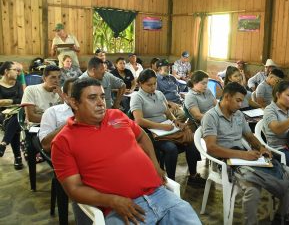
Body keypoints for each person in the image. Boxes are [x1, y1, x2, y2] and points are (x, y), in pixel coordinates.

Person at [51, 77, 201, 225]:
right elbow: (74, 189)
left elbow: (142, 136)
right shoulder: (63, 141)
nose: (100, 103)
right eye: (92, 98)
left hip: (160, 195)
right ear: (74, 103)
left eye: (102, 97)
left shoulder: (117, 115)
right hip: (123, 209)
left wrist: (155, 165)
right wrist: (112, 201)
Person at [202, 82, 289, 225]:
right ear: (227, 97)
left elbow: (249, 136)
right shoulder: (211, 117)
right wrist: (242, 155)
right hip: (226, 162)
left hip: (245, 157)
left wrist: (261, 148)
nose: (241, 105)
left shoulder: (238, 115)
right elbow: (211, 148)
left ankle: (281, 217)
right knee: (253, 191)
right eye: (238, 100)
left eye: (242, 101)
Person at [130, 69, 204, 184]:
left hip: (166, 128)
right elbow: (139, 121)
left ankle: (193, 175)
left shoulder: (159, 94)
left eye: (155, 83)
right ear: (140, 84)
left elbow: (168, 113)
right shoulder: (137, 97)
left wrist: (175, 122)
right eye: (149, 85)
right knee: (171, 148)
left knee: (191, 140)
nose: (153, 87)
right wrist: (161, 127)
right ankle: (170, 181)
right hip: (151, 132)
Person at [39, 78, 76, 152]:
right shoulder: (52, 112)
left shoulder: (92, 111)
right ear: (65, 95)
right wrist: (72, 122)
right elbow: (46, 145)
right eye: (75, 93)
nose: (79, 96)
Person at [0, 61, 24, 170]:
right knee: (15, 124)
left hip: (17, 111)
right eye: (14, 70)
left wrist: (7, 101)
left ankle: (4, 143)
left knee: (16, 117)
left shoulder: (18, 84)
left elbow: (22, 100)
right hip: (2, 114)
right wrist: (13, 101)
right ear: (6, 71)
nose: (17, 73)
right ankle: (17, 157)